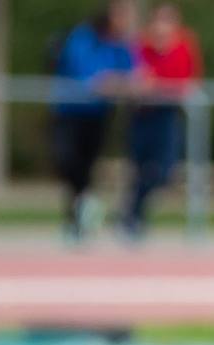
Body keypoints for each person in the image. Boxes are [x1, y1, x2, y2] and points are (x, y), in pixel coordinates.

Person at [50, 2, 139, 244]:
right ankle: (83, 211)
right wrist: (107, 82)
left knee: (86, 168)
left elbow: (133, 74)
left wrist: (120, 82)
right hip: (69, 111)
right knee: (67, 162)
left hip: (98, 114)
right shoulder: (83, 37)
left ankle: (78, 223)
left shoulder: (120, 44)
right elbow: (83, 74)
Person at [121, 4, 202, 240]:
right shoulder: (141, 47)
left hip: (166, 116)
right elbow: (134, 79)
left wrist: (158, 86)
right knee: (139, 168)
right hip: (141, 115)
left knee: (164, 170)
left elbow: (188, 80)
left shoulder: (183, 47)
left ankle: (131, 211)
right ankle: (134, 217)